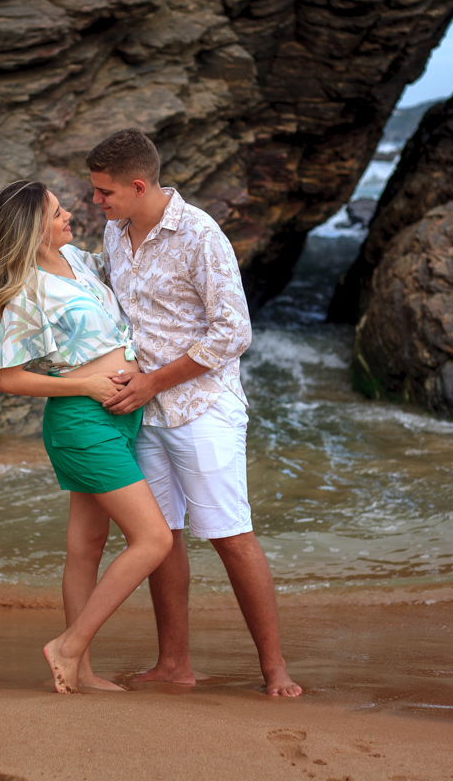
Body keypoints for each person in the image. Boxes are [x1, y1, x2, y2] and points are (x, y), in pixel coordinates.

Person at [85, 128, 302, 697]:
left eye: (104, 192)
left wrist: (154, 379)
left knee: (230, 534)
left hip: (202, 408)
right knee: (163, 537)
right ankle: (174, 664)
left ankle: (275, 669)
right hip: (143, 414)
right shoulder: (114, 232)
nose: (96, 203)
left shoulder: (201, 234)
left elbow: (234, 332)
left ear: (137, 185)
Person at [0, 179, 173, 694]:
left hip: (120, 416)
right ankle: (68, 645)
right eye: (59, 212)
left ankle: (80, 673)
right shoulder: (27, 292)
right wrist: (82, 383)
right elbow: (9, 377)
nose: (71, 216)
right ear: (35, 228)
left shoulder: (81, 263)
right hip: (82, 424)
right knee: (154, 539)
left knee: (85, 546)